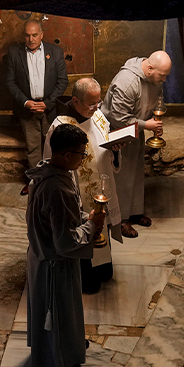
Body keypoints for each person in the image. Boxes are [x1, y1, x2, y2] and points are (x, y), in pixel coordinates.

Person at [24, 122, 105, 367]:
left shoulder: (50, 170)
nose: (84, 159)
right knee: (58, 314)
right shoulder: (57, 188)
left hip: (41, 257)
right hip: (55, 263)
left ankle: (67, 343)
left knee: (65, 315)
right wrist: (92, 226)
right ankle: (63, 366)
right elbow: (65, 240)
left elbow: (65, 219)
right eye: (81, 154)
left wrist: (85, 217)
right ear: (66, 155)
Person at [43, 77, 117, 293]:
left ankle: (103, 267)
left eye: (98, 102)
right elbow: (52, 163)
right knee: (83, 230)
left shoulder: (98, 116)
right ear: (75, 101)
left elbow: (105, 146)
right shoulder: (60, 128)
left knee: (101, 226)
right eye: (91, 104)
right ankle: (86, 277)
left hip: (100, 188)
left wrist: (116, 148)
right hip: (77, 194)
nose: (96, 108)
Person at [100, 50, 169, 237]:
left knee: (137, 172)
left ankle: (135, 212)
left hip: (135, 131)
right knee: (122, 176)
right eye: (162, 76)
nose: (163, 80)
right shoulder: (127, 82)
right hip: (117, 134)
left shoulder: (154, 79)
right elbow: (119, 118)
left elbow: (156, 102)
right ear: (149, 68)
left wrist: (155, 120)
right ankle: (120, 220)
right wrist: (148, 124)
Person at [3, 18, 67, 171]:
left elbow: (62, 81)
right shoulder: (14, 53)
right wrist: (26, 102)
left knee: (52, 147)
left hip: (49, 109)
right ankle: (35, 182)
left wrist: (47, 103)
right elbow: (9, 82)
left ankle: (52, 181)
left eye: (34, 35)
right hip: (27, 109)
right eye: (27, 35)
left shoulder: (55, 52)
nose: (31, 39)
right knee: (32, 149)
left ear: (41, 35)